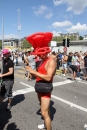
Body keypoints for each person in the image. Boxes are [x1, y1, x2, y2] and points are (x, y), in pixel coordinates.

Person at [26, 32, 56, 130]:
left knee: (44, 113)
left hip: (45, 87)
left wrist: (33, 72)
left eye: (40, 54)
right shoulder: (41, 61)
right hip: (39, 87)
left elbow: (48, 77)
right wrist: (31, 71)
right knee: (45, 110)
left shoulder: (51, 61)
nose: (38, 55)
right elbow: (38, 75)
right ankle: (46, 124)